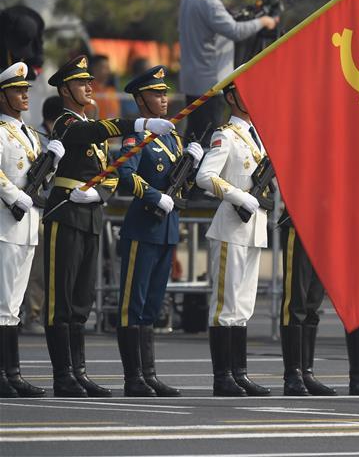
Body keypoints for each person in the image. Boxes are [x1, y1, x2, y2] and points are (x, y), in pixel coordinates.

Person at [43, 55, 175, 398]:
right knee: (62, 299)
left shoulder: (93, 123)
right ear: (64, 89)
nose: (90, 87)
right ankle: (63, 376)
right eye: (81, 83)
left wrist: (99, 193)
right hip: (65, 213)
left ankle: (79, 373)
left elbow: (113, 172)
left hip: (90, 215)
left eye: (90, 81)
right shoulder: (66, 123)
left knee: (82, 300)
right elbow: (91, 132)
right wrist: (138, 125)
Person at [114, 66, 203, 396]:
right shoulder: (137, 137)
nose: (164, 98)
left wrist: (193, 165)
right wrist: (155, 196)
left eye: (165, 92)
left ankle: (148, 374)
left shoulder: (172, 137)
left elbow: (183, 187)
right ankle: (133, 377)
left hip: (167, 229)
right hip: (143, 227)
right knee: (133, 304)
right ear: (140, 100)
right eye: (156, 93)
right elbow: (126, 174)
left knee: (152, 305)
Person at [195, 83, 272, 397]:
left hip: (254, 228)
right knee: (225, 306)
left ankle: (239, 373)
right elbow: (204, 176)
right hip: (230, 227)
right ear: (231, 97)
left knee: (243, 307)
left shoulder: (260, 136)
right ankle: (222, 376)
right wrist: (238, 195)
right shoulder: (224, 135)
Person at [0, 62, 64, 397]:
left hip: (26, 226)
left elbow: (40, 181)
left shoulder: (31, 135)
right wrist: (14, 196)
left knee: (13, 304)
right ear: (3, 95)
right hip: (5, 226)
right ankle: (4, 374)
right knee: (2, 304)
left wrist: (52, 162)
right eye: (17, 90)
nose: (25, 95)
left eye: (26, 90)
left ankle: (12, 374)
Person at [178, 0, 277, 144]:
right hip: (210, 82)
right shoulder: (208, 0)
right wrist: (263, 21)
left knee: (194, 138)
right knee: (207, 140)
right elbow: (235, 31)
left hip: (192, 79)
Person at [278, 215, 336, 397]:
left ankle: (306, 372)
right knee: (296, 302)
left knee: (313, 302)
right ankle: (293, 374)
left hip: (324, 226)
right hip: (299, 220)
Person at [22, 96, 64, 334]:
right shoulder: (37, 138)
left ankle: (46, 312)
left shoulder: (55, 138)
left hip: (53, 209)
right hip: (35, 209)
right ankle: (34, 314)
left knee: (51, 265)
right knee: (38, 267)